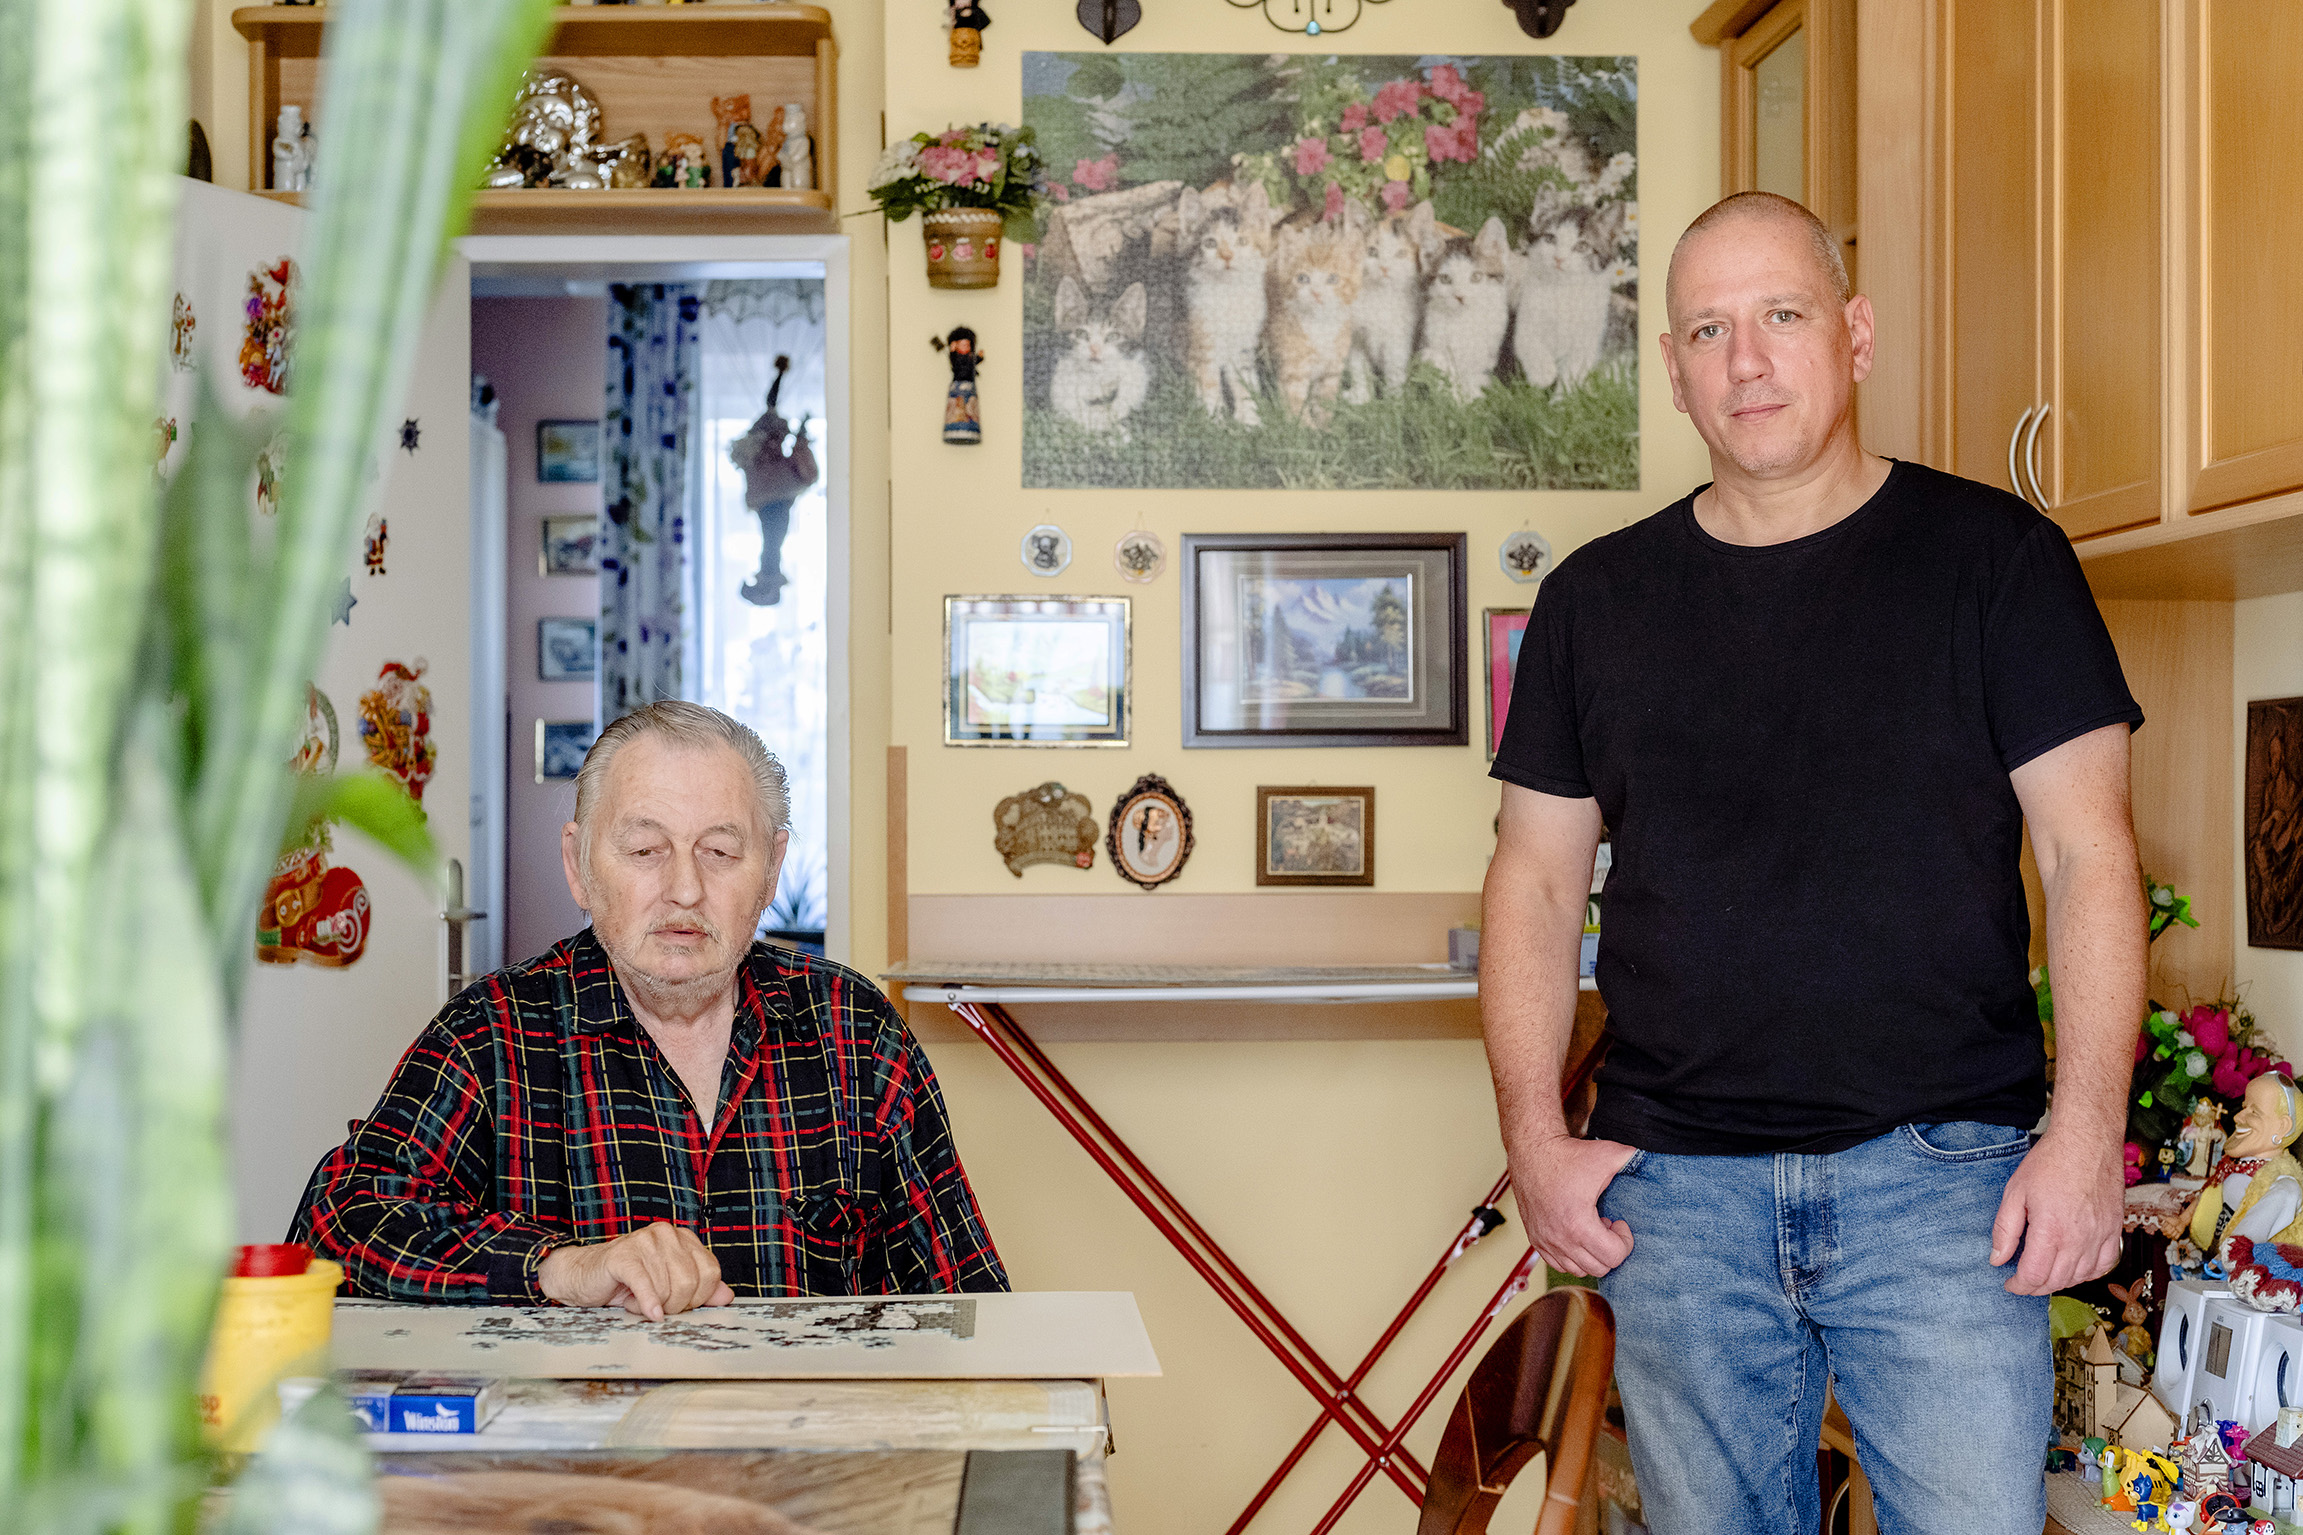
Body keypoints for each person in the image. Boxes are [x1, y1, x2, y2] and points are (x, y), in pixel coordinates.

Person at [1482, 192, 2145, 1532]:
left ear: (1850, 335)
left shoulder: (1997, 562)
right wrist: (1533, 1139)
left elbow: (2088, 857)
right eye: (1707, 330)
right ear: (1669, 370)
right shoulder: (1593, 602)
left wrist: (2082, 1138)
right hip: (1674, 1197)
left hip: (1945, 1190)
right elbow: (1533, 881)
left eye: (1778, 315)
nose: (1745, 358)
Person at [293, 701, 1006, 1317]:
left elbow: (969, 1294)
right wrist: (560, 1267)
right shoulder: (492, 1032)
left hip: (815, 1457)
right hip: (580, 1466)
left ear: (772, 870)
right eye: (644, 848)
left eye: (721, 851)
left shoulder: (856, 1030)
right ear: (578, 865)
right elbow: (332, 1227)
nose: (684, 889)